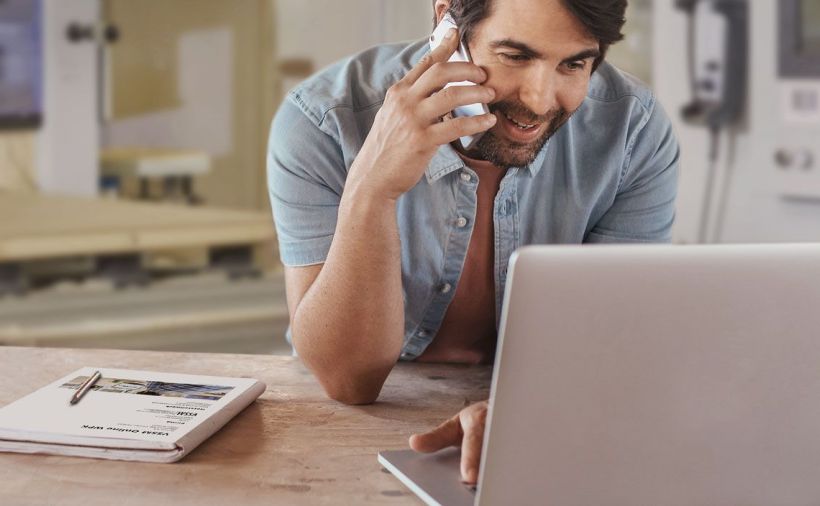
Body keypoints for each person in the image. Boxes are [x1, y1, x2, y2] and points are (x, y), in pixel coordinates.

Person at [268, 0, 679, 483]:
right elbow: (347, 380)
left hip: (540, 424)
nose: (541, 99)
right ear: (447, 22)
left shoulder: (632, 131)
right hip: (346, 434)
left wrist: (524, 410)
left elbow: (611, 351)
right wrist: (374, 187)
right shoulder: (324, 119)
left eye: (574, 63)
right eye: (515, 56)